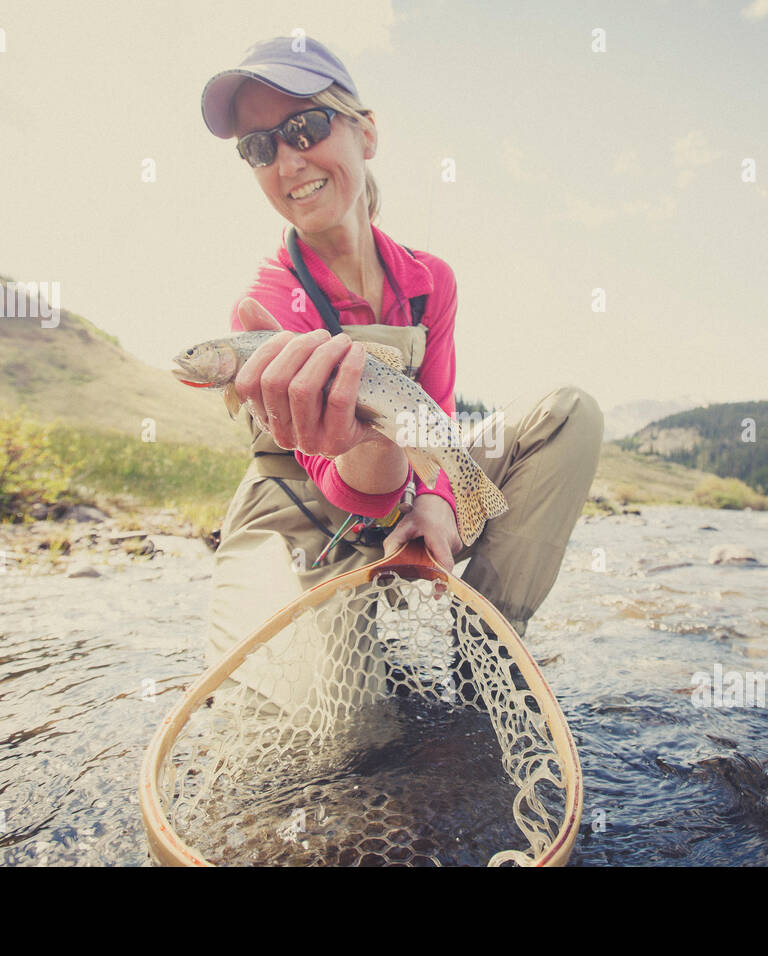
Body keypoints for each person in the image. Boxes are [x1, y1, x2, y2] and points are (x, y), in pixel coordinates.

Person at [199, 36, 602, 672]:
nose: (287, 161)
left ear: (367, 133)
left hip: (414, 472)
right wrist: (385, 457)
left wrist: (439, 498)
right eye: (258, 146)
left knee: (570, 411)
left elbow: (434, 411)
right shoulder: (265, 302)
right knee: (339, 741)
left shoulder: (429, 279)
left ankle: (488, 651)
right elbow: (345, 482)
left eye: (303, 126)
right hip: (303, 513)